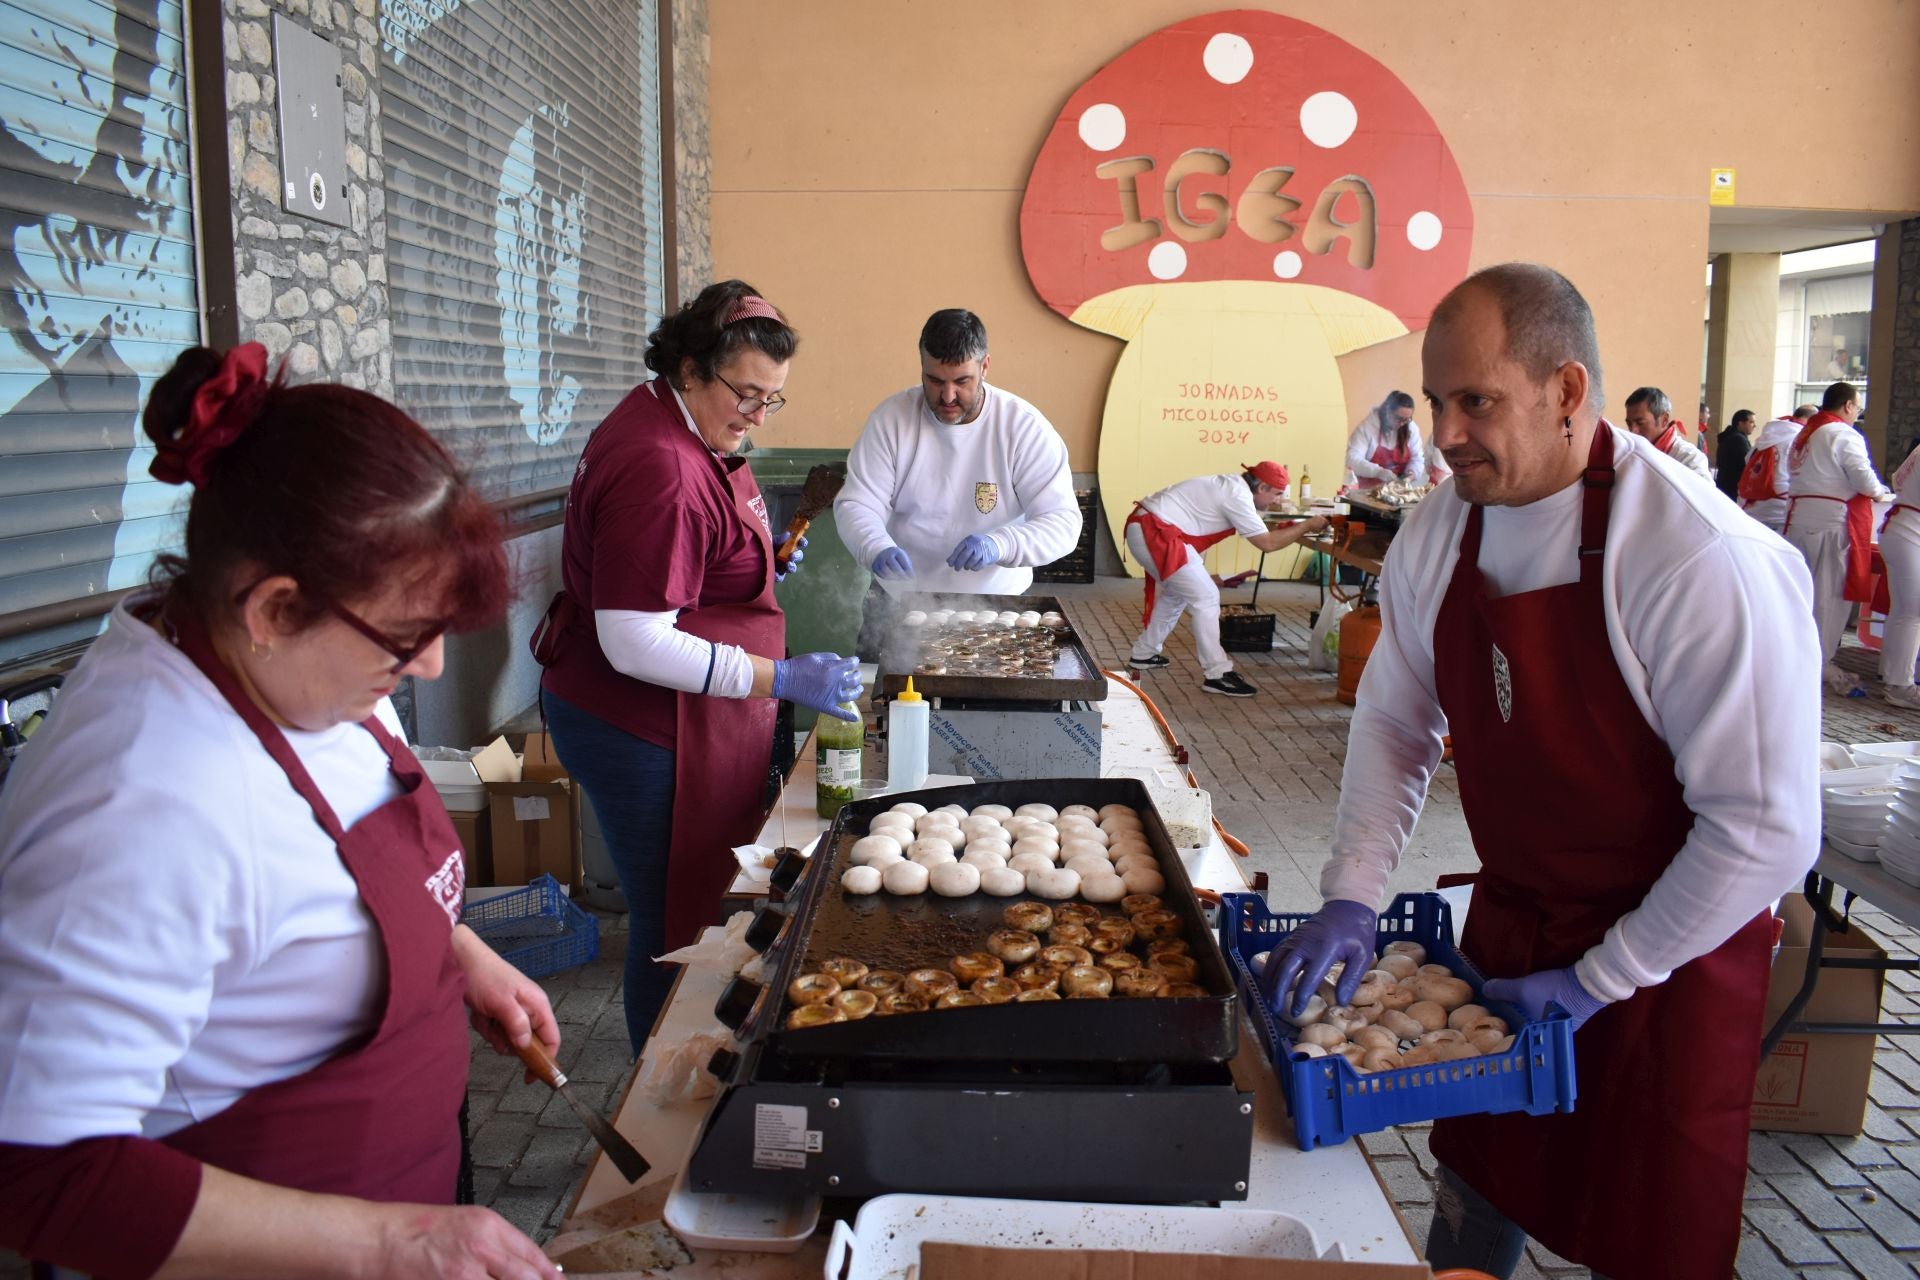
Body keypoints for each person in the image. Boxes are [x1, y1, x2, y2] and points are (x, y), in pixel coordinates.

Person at [1256, 264, 1819, 1280]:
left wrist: (1602, 977)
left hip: (1673, 960)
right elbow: (1393, 719)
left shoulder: (1694, 560)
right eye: (1436, 401)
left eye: (1477, 400)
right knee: (1483, 1185)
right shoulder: (1442, 528)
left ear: (1566, 391)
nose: (1446, 433)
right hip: (1520, 929)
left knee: (1655, 1229)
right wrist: (1349, 893)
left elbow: (1767, 828)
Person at [0, 346, 563, 1277]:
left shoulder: (295, 665)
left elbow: (318, 888)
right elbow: (36, 1168)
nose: (427, 666)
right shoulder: (143, 806)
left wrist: (458, 953)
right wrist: (395, 1242)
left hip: (401, 1184)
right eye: (405, 637)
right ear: (273, 607)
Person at [535, 281, 862, 1052]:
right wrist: (780, 679)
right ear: (689, 368)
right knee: (673, 919)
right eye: (745, 393)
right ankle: (657, 1087)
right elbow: (636, 642)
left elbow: (693, 558)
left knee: (688, 907)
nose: (756, 415)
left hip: (673, 714)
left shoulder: (685, 421)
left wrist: (759, 562)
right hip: (639, 722)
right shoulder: (660, 468)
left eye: (772, 400)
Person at [835, 309, 1082, 655]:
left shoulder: (1023, 428)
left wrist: (1000, 544)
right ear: (921, 367)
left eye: (961, 381)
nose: (947, 396)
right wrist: (874, 545)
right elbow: (857, 503)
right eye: (935, 381)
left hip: (995, 608)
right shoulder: (892, 420)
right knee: (879, 700)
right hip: (897, 601)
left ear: (985, 367)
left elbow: (1064, 523)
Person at [1124, 464, 1329, 696]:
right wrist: (1307, 525)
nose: (1278, 500)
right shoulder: (1237, 496)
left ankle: (1144, 653)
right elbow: (1267, 544)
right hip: (1155, 532)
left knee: (1178, 594)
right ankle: (1217, 674)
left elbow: (1262, 528)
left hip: (1148, 527)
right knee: (1206, 597)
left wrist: (1294, 526)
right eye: (1276, 493)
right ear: (1262, 486)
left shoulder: (1235, 488)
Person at [1782, 381, 1891, 695]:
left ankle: (1800, 655)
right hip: (1830, 524)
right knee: (1828, 598)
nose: (1857, 413)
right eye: (1857, 406)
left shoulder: (1805, 434)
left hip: (1799, 520)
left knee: (1802, 595)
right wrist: (1880, 492)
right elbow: (1865, 480)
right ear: (1847, 406)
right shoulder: (1842, 434)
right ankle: (1821, 660)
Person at [1879, 447, 1920, 708]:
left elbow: (1897, 478)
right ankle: (1900, 685)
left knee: (1903, 611)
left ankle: (1892, 674)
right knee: (1913, 612)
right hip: (1909, 531)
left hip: (1902, 528)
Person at [1739, 405, 1815, 534]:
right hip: (1777, 510)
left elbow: (1747, 460)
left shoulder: (1765, 438)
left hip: (1749, 505)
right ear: (1810, 420)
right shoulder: (1800, 439)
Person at [1622, 385, 1711, 480]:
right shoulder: (1630, 454)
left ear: (1664, 420)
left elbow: (1704, 493)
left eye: (1640, 423)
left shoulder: (1690, 459)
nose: (1632, 430)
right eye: (1629, 424)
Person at [1345, 391, 1428, 489]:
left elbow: (1417, 459)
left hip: (1398, 491)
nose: (1402, 424)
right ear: (1387, 411)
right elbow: (1352, 460)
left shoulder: (1411, 428)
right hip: (1367, 492)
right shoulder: (1367, 428)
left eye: (1406, 420)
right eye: (1398, 418)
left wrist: (1411, 474)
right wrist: (1379, 472)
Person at [1713, 408, 1756, 499]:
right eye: (1751, 422)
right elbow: (1746, 464)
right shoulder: (1738, 440)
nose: (1754, 426)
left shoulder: (1729, 437)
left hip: (1724, 485)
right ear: (1741, 423)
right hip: (1732, 488)